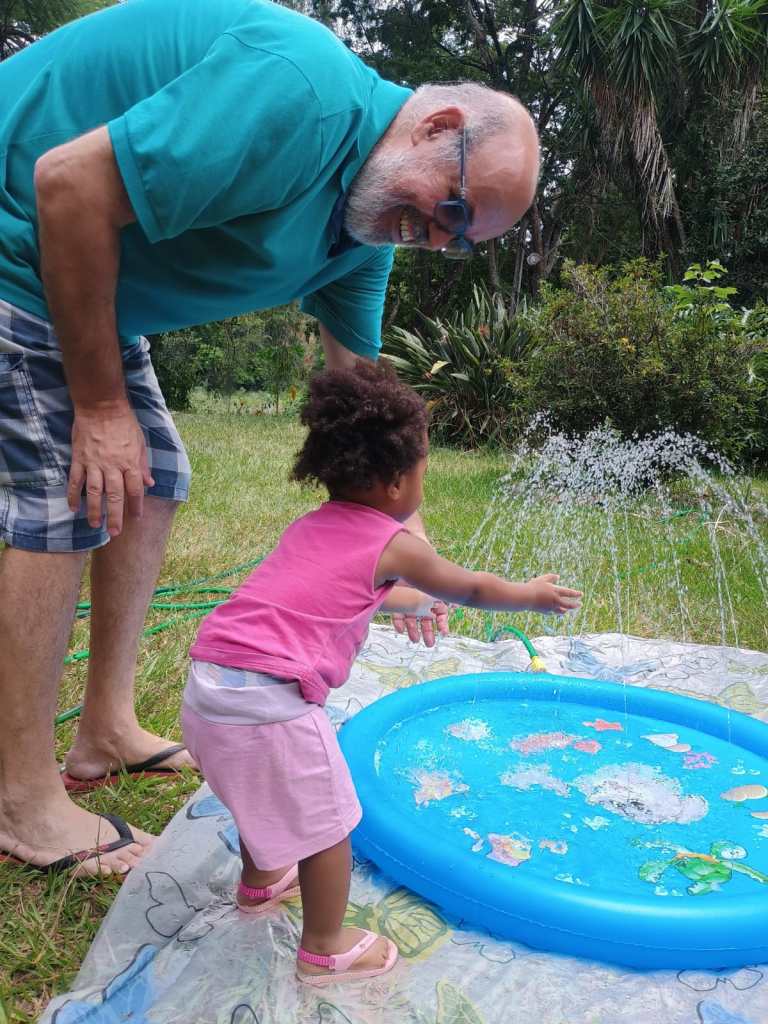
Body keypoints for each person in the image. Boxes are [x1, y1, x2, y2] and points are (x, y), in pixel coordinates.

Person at [0, 0, 540, 875]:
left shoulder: (361, 235)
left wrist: (407, 552)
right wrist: (98, 409)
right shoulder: (300, 91)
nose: (436, 236)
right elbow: (67, 185)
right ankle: (22, 800)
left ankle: (106, 728)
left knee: (155, 478)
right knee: (72, 488)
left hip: (93, 290)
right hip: (19, 252)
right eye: (451, 207)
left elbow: (369, 408)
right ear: (438, 127)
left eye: (458, 241)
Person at [181, 360, 581, 985]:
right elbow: (471, 586)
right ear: (398, 480)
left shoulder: (312, 525)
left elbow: (344, 590)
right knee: (329, 820)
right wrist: (529, 595)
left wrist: (414, 603)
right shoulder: (396, 543)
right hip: (269, 700)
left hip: (210, 685)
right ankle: (325, 947)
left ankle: (260, 882)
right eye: (424, 469)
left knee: (265, 790)